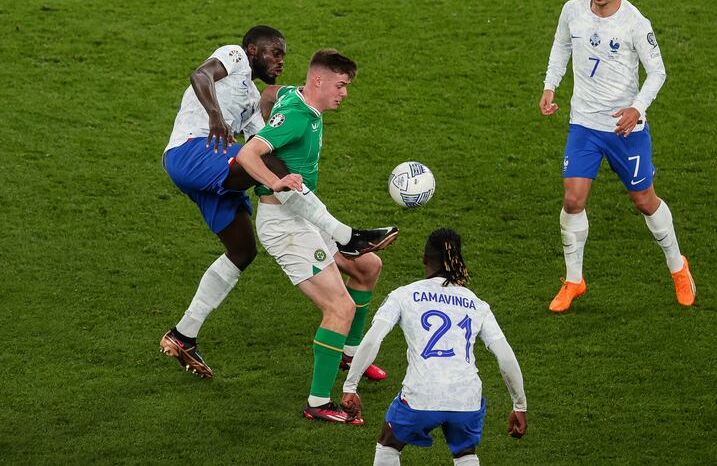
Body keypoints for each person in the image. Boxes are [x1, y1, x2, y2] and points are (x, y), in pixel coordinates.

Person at [159, 29, 397, 379]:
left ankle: (183, 335)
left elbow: (266, 132)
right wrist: (215, 117)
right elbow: (200, 75)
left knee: (242, 251)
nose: (281, 60)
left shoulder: (252, 98)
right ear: (253, 50)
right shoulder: (235, 57)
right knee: (269, 166)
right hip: (192, 150)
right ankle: (345, 234)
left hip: (211, 165)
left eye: (284, 54)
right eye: (274, 53)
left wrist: (294, 112)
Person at [236, 49, 397, 424]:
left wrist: (262, 113)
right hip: (284, 226)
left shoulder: (295, 97)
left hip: (304, 216)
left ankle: (349, 354)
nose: (345, 93)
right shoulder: (295, 117)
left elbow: (270, 94)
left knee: (368, 266)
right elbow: (248, 154)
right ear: (319, 81)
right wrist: (275, 180)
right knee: (338, 308)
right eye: (340, 85)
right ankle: (319, 402)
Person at [538, 0, 696, 312]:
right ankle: (574, 280)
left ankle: (678, 267)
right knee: (572, 200)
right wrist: (550, 85)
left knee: (644, 201)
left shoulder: (635, 23)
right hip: (584, 126)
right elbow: (561, 46)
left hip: (626, 130)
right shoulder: (572, 11)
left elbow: (658, 72)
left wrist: (636, 109)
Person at [340, 228, 527, 465]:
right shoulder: (476, 303)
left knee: (389, 443)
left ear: (425, 259)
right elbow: (505, 355)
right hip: (467, 398)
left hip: (421, 396)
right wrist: (519, 405)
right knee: (466, 454)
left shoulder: (404, 295)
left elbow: (373, 339)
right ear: (457, 260)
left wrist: (351, 386)